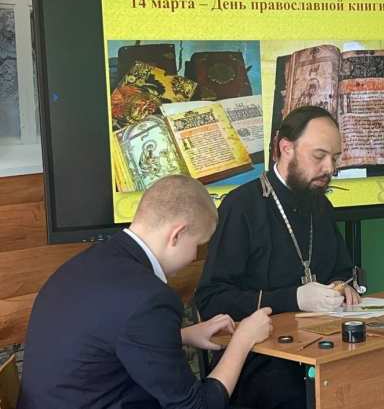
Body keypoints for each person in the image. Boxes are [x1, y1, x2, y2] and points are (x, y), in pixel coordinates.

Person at [19, 175, 273, 409]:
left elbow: (108, 339)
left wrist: (183, 335)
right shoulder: (149, 299)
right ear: (177, 235)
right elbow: (195, 406)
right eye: (198, 245)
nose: (195, 256)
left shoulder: (88, 262)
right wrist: (243, 340)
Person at [195, 105, 360, 409]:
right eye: (319, 156)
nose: (330, 169)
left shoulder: (321, 206)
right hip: (260, 362)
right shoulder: (242, 206)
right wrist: (294, 298)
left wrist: (342, 286)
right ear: (286, 148)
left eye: (335, 158)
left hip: (323, 349)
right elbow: (212, 300)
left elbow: (342, 270)